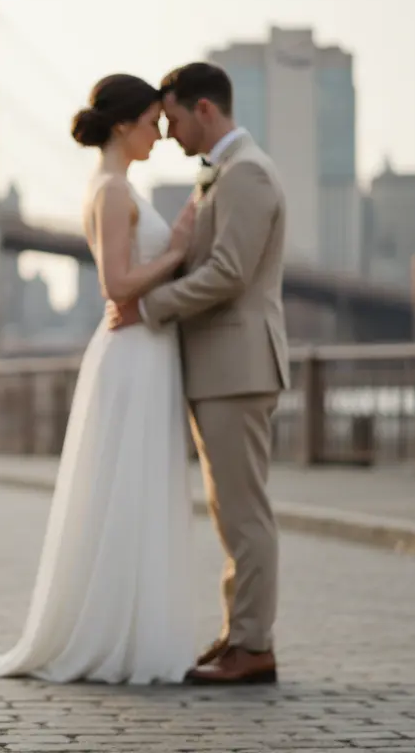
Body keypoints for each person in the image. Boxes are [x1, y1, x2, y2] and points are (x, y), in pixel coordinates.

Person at [0, 73, 199, 685]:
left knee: (134, 492)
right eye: (150, 124)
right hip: (133, 350)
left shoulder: (118, 188)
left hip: (145, 349)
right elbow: (116, 285)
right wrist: (178, 250)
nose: (159, 135)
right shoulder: (112, 191)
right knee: (126, 492)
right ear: (121, 125)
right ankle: (116, 637)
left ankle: (136, 631)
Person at [115, 62, 290, 685]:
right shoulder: (226, 174)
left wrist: (151, 306)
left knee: (245, 512)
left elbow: (230, 274)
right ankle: (239, 633)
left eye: (176, 118)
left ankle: (253, 645)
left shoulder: (246, 174)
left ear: (206, 111)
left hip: (237, 365)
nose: (170, 132)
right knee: (231, 509)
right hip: (223, 365)